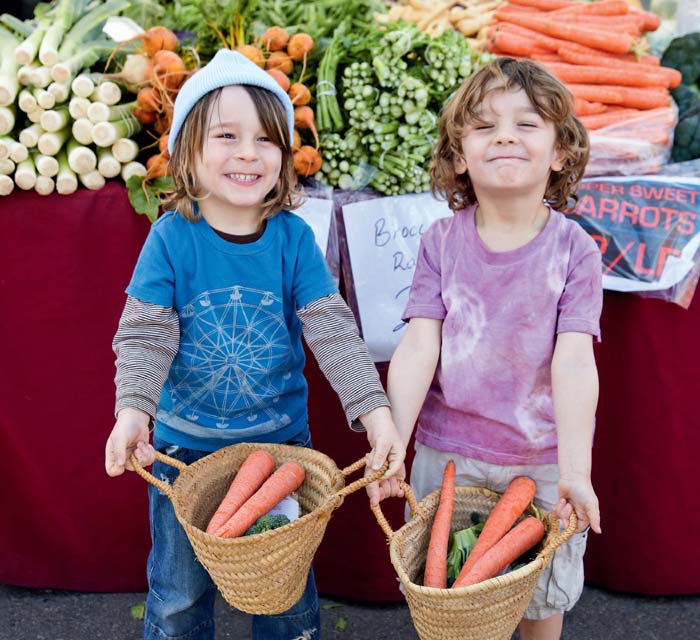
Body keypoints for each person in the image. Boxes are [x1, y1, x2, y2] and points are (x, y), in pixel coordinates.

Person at [103, 48, 405, 640]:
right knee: (177, 597)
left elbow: (332, 330)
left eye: (266, 139)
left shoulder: (293, 238)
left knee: (284, 595)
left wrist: (378, 417)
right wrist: (132, 412)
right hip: (185, 454)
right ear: (188, 151)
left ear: (285, 157)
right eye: (227, 136)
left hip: (283, 454)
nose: (248, 152)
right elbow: (145, 334)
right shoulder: (170, 239)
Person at [385, 57, 603, 640]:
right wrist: (394, 443)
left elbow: (575, 360)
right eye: (483, 126)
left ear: (560, 154)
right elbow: (418, 344)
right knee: (450, 601)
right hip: (445, 456)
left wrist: (574, 472)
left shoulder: (576, 251)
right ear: (460, 157)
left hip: (543, 459)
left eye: (526, 124)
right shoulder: (441, 241)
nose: (504, 134)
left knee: (540, 601)